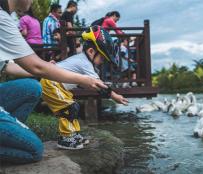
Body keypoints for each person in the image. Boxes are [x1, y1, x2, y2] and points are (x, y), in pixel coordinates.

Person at [0, 0, 108, 164]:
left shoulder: (5, 17)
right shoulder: (2, 18)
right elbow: (37, 67)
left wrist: (43, 68)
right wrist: (83, 79)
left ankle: (9, 134)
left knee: (33, 87)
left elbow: (6, 67)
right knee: (34, 150)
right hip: (53, 84)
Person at [40, 26, 128, 150]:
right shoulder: (84, 63)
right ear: (91, 51)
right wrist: (115, 96)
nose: (102, 62)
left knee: (72, 108)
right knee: (69, 109)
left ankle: (73, 134)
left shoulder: (84, 61)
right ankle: (65, 138)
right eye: (102, 58)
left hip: (57, 85)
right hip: (50, 83)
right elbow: (99, 85)